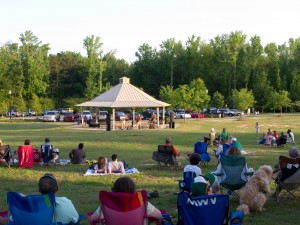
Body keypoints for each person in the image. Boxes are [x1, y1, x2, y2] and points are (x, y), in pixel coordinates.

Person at [0, 173, 80, 225]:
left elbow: (8, 221)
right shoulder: (65, 203)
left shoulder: (28, 207)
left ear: (39, 190)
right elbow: (76, 220)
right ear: (57, 189)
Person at [90, 176, 162, 224]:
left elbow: (92, 219)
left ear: (115, 189)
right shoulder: (140, 201)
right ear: (133, 189)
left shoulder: (107, 203)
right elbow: (159, 215)